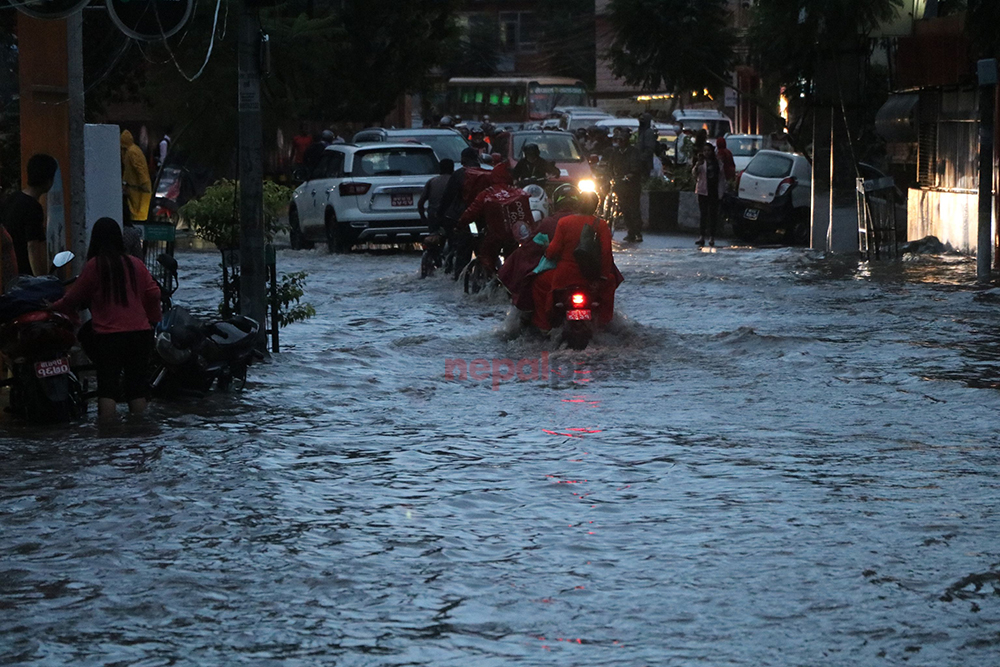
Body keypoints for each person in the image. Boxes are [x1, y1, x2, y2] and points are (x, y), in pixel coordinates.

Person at [52, 218, 162, 423]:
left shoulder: (95, 266)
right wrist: (153, 320)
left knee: (107, 388)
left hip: (108, 337)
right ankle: (140, 433)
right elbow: (154, 294)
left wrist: (51, 307)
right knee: (137, 389)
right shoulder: (136, 264)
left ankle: (108, 440)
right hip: (140, 335)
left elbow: (73, 299)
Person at [531, 190, 623, 333]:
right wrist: (602, 277)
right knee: (610, 283)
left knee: (538, 283)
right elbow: (606, 254)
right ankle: (604, 325)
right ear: (596, 207)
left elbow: (553, 251)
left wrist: (547, 251)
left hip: (564, 278)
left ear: (578, 204)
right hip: (591, 279)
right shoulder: (601, 225)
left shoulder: (564, 222)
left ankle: (544, 326)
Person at [498, 183, 581, 312]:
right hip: (590, 274)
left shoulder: (551, 223)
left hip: (560, 274)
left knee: (536, 284)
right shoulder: (595, 222)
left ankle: (542, 324)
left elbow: (534, 248)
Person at [458, 162, 531, 274]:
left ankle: (490, 276)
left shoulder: (487, 194)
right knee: (512, 260)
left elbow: (471, 212)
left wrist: (460, 224)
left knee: (486, 256)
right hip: (514, 237)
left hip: (493, 236)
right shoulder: (519, 193)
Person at [1, 153, 56, 276]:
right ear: (49, 180)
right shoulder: (33, 207)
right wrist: (41, 279)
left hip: (9, 271)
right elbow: (33, 246)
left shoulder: (12, 199)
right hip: (24, 277)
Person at [609, 128, 643, 242]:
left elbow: (636, 168)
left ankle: (637, 232)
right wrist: (608, 177)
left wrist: (629, 176)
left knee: (634, 208)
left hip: (632, 185)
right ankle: (630, 232)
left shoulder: (634, 152)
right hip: (620, 184)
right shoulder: (615, 152)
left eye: (622, 140)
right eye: (618, 140)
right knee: (624, 209)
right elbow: (610, 167)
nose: (620, 142)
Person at [693, 143, 725, 247]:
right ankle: (701, 236)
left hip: (714, 191)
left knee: (713, 215)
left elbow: (721, 178)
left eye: (708, 151)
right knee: (703, 214)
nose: (706, 153)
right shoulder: (701, 163)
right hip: (703, 190)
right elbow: (694, 174)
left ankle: (712, 237)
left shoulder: (717, 163)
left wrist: (721, 192)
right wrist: (698, 165)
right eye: (705, 151)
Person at [121, 130, 152, 223]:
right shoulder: (132, 150)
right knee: (136, 212)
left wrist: (144, 184)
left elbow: (140, 169)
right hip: (135, 188)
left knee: (139, 213)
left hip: (139, 189)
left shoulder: (132, 152)